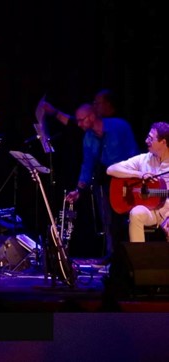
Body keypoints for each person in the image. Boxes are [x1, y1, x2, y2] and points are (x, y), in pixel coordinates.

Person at [60, 104, 138, 259]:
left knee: (127, 220)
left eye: (81, 120)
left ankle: (130, 256)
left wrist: (133, 178)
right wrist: (79, 189)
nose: (79, 124)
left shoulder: (119, 126)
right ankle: (112, 256)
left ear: (91, 117)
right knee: (108, 221)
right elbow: (87, 164)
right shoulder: (88, 138)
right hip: (106, 182)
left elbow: (133, 153)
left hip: (128, 180)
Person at [106, 122, 169, 242]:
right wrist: (139, 174)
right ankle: (138, 258)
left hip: (167, 213)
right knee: (135, 213)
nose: (146, 140)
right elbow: (111, 170)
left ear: (163, 142)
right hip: (150, 211)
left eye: (151, 138)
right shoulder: (144, 159)